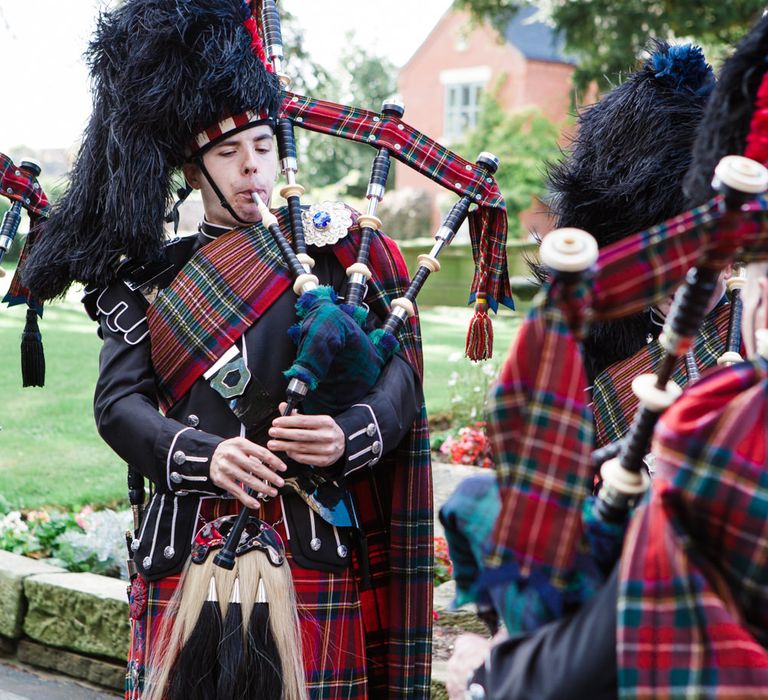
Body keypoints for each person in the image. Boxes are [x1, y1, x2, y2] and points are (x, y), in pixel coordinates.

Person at [21, 1, 433, 697]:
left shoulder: (337, 258)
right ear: (194, 167)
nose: (252, 168)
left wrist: (346, 436)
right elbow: (118, 407)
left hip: (307, 541)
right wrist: (206, 456)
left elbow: (398, 386)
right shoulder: (149, 280)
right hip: (185, 547)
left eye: (264, 147)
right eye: (228, 152)